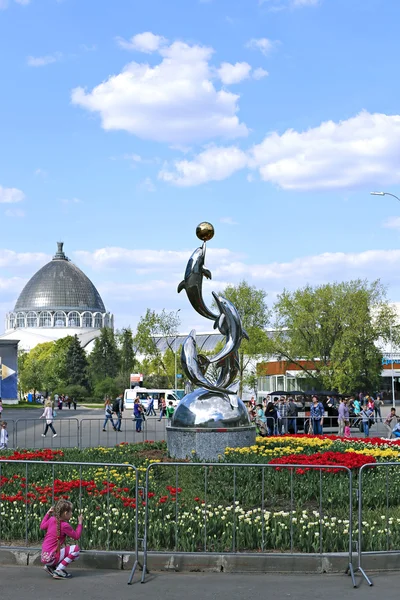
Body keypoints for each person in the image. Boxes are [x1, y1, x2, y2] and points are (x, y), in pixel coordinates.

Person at [40, 499, 83, 579]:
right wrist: (80, 523)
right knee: (76, 550)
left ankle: (50, 567)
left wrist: (47, 514)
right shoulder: (64, 525)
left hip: (44, 557)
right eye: (70, 512)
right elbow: (76, 536)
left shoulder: (52, 519)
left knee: (72, 554)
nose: (72, 513)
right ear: (66, 513)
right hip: (52, 557)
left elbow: (42, 526)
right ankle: (59, 570)